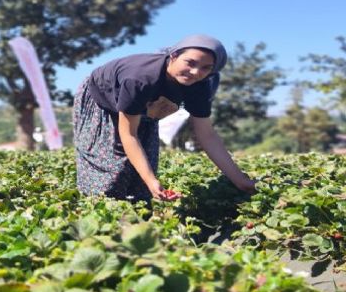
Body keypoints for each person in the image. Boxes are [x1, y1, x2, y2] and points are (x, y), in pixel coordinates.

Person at [73, 34, 255, 203]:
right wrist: (152, 181)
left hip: (148, 105)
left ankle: (137, 218)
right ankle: (99, 211)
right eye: (190, 62)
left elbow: (206, 134)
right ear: (174, 56)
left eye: (206, 68)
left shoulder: (201, 84)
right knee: (112, 167)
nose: (195, 72)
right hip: (104, 99)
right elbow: (129, 134)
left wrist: (240, 180)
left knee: (142, 175)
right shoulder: (140, 79)